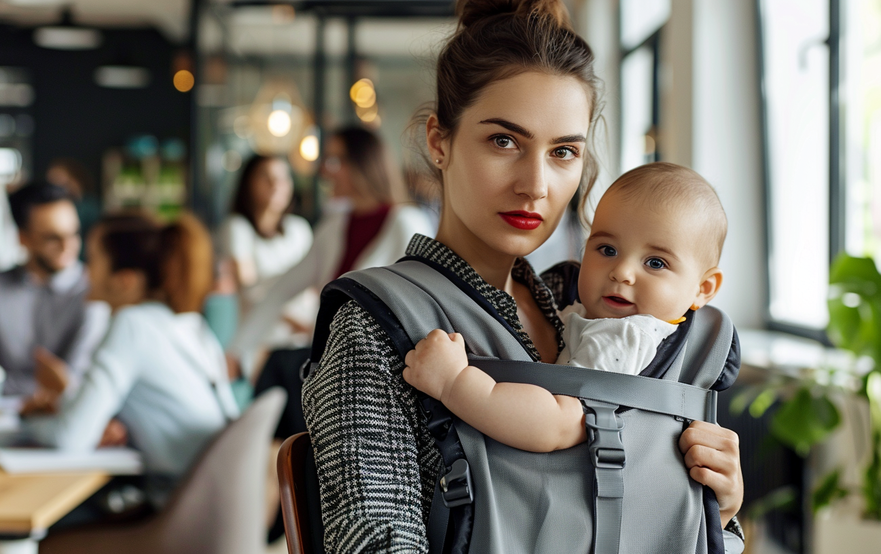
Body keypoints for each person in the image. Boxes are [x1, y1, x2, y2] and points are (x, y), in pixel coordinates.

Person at [301, 1, 745, 552]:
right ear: (439, 142)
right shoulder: (376, 324)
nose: (535, 184)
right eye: (504, 141)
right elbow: (377, 540)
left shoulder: (591, 305)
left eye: (562, 152)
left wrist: (714, 509)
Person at [403, 162, 726, 453]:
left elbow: (556, 425)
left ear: (703, 288)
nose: (622, 272)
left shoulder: (622, 336)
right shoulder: (580, 307)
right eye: (607, 249)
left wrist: (454, 383)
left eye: (655, 262)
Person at [27, 212, 240, 506]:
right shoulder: (190, 325)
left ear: (124, 280)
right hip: (220, 504)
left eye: (95, 260)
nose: (85, 271)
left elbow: (69, 439)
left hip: (178, 514)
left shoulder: (131, 324)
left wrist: (27, 423)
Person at [227, 126, 435, 376]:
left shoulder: (406, 223)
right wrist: (236, 352)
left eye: (334, 161)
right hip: (333, 372)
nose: (325, 171)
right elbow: (280, 292)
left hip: (388, 377)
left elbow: (427, 309)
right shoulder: (334, 228)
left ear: (362, 165)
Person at [0, 182, 108, 396]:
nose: (68, 246)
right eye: (53, 237)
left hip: (59, 419)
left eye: (74, 233)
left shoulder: (94, 293)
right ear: (23, 239)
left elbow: (71, 384)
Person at [218, 154, 314, 343]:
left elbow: (315, 285)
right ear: (248, 184)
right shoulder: (237, 227)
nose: (275, 184)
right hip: (262, 341)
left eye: (282, 178)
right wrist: (296, 322)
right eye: (266, 177)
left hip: (304, 338)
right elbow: (249, 291)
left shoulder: (299, 229)